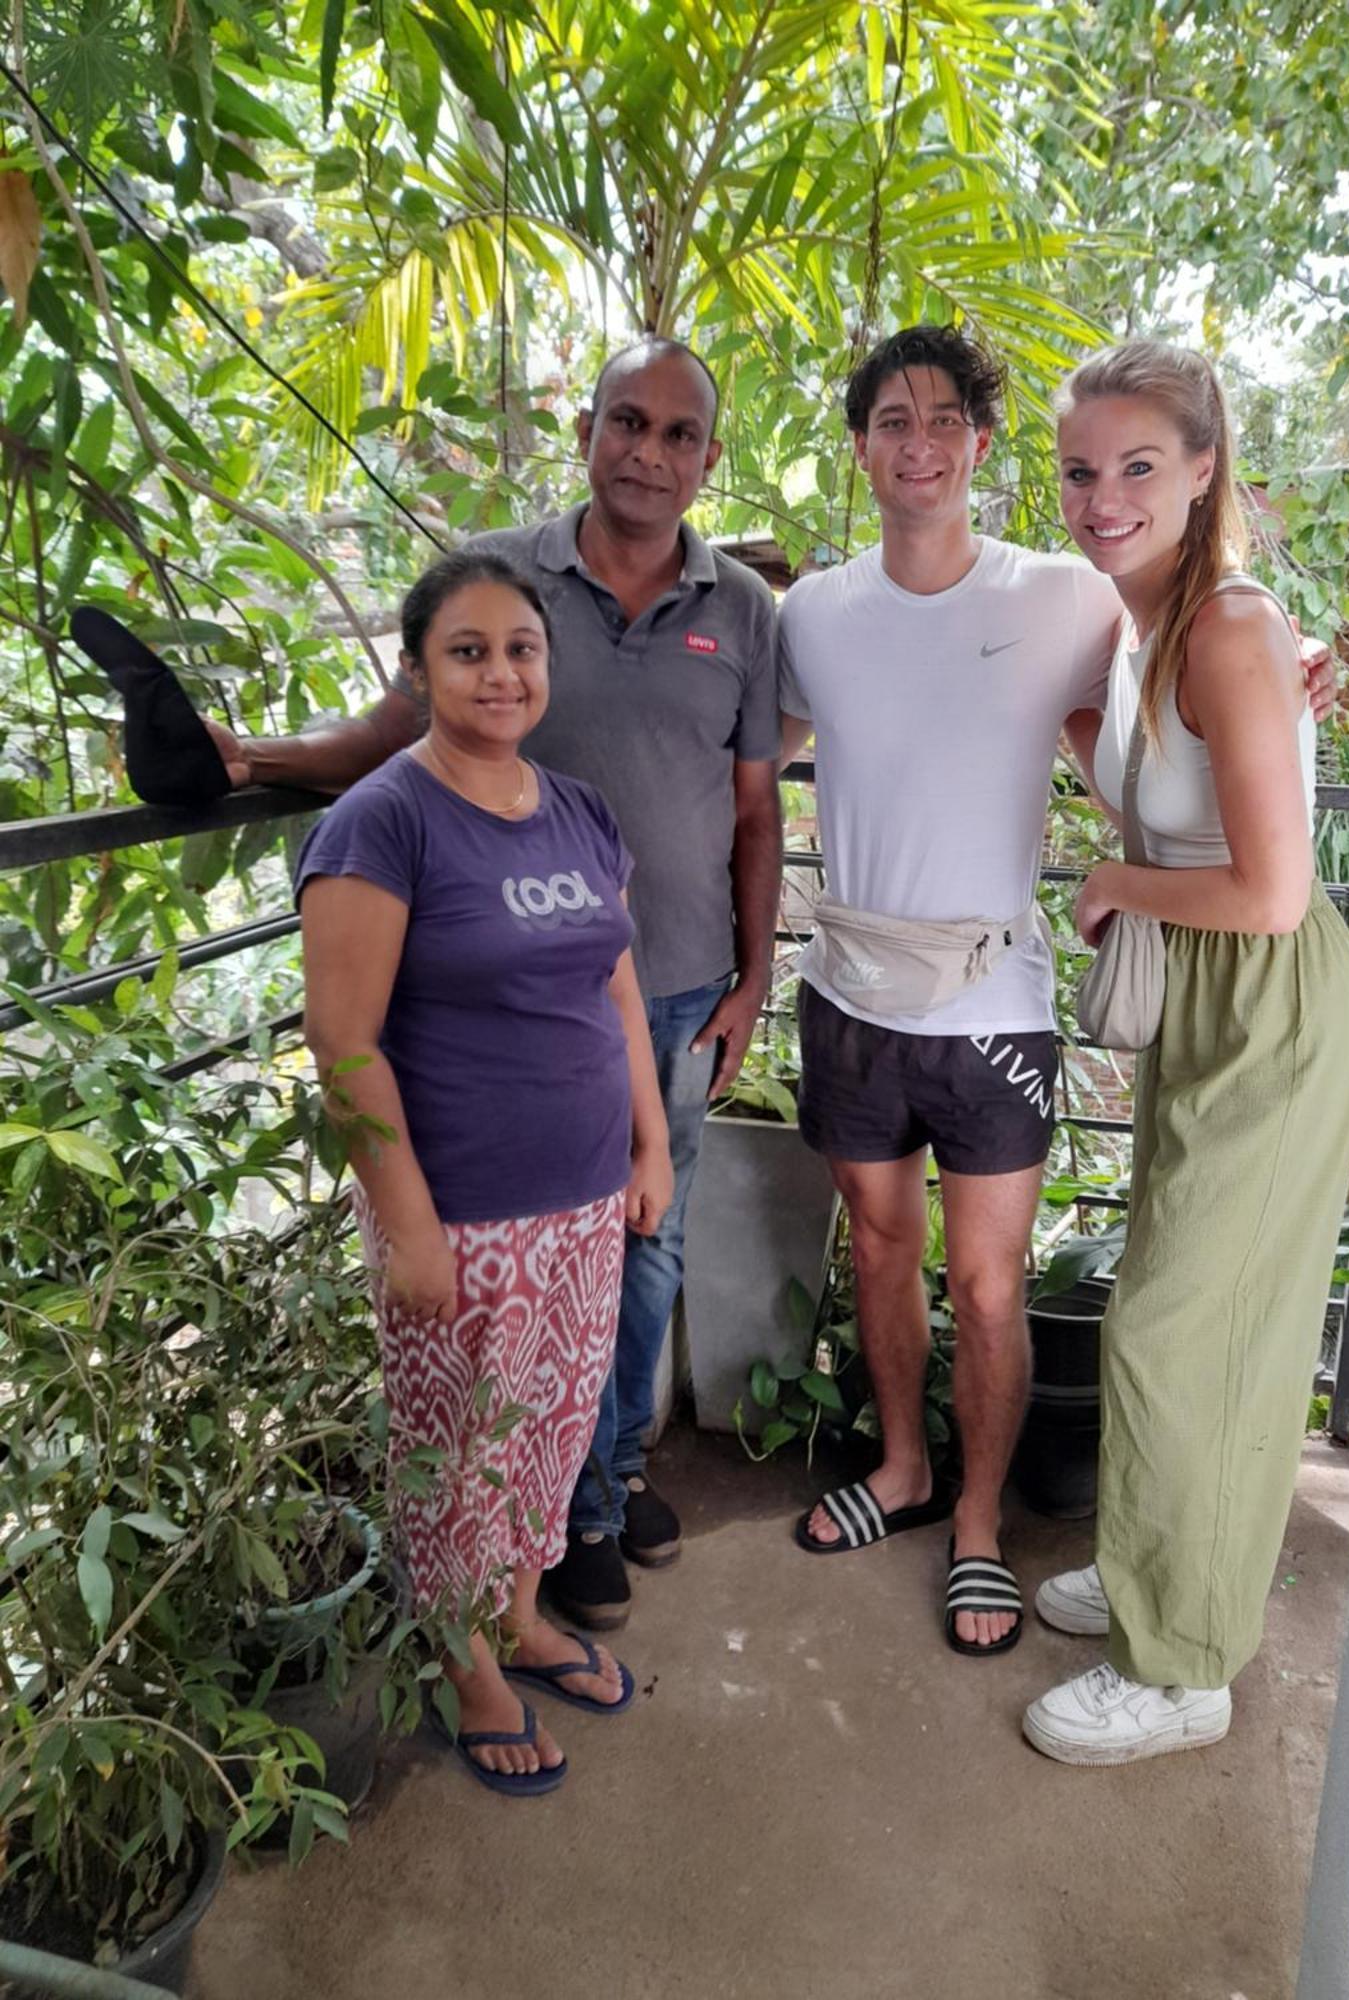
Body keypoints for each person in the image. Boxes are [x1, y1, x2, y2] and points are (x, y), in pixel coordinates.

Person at [75, 338, 783, 1632]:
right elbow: (400, 730)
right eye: (628, 420)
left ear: (708, 461)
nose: (650, 451)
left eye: (680, 434)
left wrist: (758, 975)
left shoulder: (741, 608)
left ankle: (603, 1487)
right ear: (588, 429)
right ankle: (530, 1554)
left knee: (642, 1246)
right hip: (498, 1001)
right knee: (503, 1295)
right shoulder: (509, 577)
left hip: (665, 983)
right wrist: (255, 760)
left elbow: (755, 814)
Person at [777, 325, 1337, 1661]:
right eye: (889, 421)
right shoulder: (810, 612)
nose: (917, 445)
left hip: (997, 1002)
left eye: (945, 420)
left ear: (978, 445)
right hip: (851, 986)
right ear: (859, 447)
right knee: (874, 1247)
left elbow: (1205, 671)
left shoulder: (1070, 598)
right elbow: (747, 746)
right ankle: (903, 1469)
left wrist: (1305, 672)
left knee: (986, 1282)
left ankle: (977, 1522)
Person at [1020, 340, 1349, 1765]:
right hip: (1207, 991)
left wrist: (1114, 885)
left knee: (1183, 1326)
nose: (1102, 497)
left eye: (1138, 467)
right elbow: (1152, 766)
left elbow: (1270, 890)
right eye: (1081, 471)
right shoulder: (1138, 622)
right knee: (1173, 1293)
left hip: (1270, 996)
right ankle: (1152, 1567)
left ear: (1206, 467)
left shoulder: (1223, 621)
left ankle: (1180, 1670)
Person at [298, 547, 673, 1794]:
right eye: (468, 650)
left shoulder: (573, 807)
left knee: (555, 1429)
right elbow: (341, 1039)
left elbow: (613, 978)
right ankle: (465, 1661)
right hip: (464, 1210)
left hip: (581, 1200)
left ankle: (519, 1609)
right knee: (460, 1448)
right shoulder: (385, 818)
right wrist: (406, 1226)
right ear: (417, 671)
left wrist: (650, 1137)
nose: (500, 672)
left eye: (521, 648)